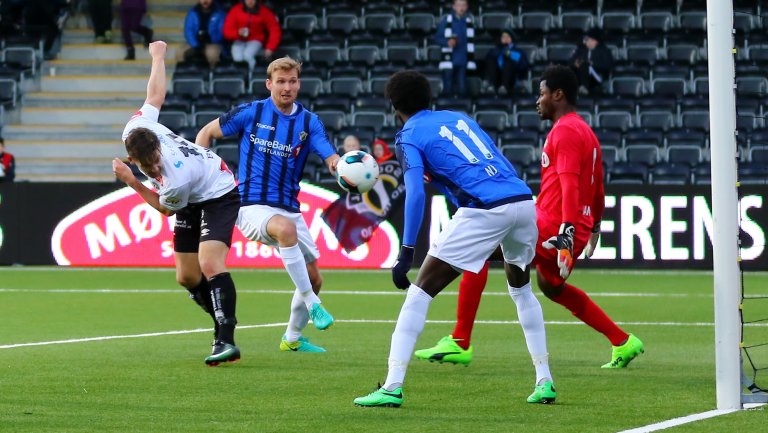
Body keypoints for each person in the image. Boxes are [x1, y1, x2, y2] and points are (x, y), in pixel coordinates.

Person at [415, 65, 644, 370]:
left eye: (542, 93)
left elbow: (570, 185)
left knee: (480, 247)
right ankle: (622, 340)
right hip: (569, 224)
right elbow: (597, 187)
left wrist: (566, 234)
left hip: (553, 225)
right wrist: (594, 227)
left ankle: (460, 340)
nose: (538, 100)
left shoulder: (564, 131)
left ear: (558, 95)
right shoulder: (586, 132)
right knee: (551, 287)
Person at [353, 70, 557, 408]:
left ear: (393, 105)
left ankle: (392, 386)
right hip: (522, 200)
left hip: (485, 208)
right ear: (428, 98)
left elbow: (415, 193)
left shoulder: (408, 136)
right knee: (521, 290)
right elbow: (493, 160)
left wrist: (406, 251)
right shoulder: (458, 118)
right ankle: (544, 380)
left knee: (419, 293)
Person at [196, 56, 339, 353]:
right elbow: (206, 133)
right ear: (269, 84)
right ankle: (312, 304)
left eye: (292, 81)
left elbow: (329, 155)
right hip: (250, 204)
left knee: (314, 278)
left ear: (299, 84)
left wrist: (342, 165)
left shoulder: (309, 122)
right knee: (285, 230)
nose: (287, 87)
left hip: (288, 206)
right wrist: (201, 174)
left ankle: (292, 339)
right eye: (281, 82)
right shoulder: (252, 112)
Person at [113, 41, 241, 366]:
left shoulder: (174, 177)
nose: (156, 168)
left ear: (158, 145)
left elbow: (165, 207)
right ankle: (221, 320)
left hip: (217, 190)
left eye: (157, 160)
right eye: (148, 166)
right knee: (186, 277)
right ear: (133, 158)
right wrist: (157, 57)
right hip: (192, 196)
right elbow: (154, 97)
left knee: (210, 263)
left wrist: (132, 182)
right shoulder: (137, 128)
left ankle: (225, 339)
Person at [222, 0, 281, 70]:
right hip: (239, 39)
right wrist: (238, 33)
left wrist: (270, 48)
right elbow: (227, 30)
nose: (250, 1)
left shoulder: (264, 11)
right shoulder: (236, 10)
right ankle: (241, 74)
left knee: (248, 55)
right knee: (237, 57)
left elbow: (275, 30)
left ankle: (251, 73)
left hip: (256, 40)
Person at [435, 0, 477, 96]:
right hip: (449, 59)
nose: (461, 8)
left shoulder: (469, 22)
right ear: (454, 6)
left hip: (463, 60)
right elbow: (437, 38)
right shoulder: (446, 21)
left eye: (463, 5)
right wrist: (447, 42)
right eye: (458, 5)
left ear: (467, 7)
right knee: (448, 87)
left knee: (462, 88)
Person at [180, 0, 227, 68]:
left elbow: (221, 31)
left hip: (213, 43)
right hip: (195, 43)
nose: (205, 1)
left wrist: (211, 39)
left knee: (212, 54)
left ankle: (212, 73)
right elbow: (188, 30)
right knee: (180, 52)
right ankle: (183, 72)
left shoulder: (219, 13)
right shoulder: (192, 12)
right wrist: (196, 45)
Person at [482, 28, 529, 95]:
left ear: (511, 38)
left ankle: (504, 87)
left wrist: (508, 54)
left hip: (513, 77)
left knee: (508, 61)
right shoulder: (495, 50)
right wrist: (500, 53)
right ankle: (491, 85)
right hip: (497, 76)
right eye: (503, 37)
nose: (505, 39)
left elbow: (523, 65)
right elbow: (487, 60)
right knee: (491, 60)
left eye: (507, 37)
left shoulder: (518, 51)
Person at [569, 28, 613, 96]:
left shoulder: (604, 51)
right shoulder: (581, 50)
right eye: (587, 40)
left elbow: (607, 65)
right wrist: (575, 64)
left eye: (590, 40)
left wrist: (592, 64)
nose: (588, 42)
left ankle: (584, 87)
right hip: (580, 75)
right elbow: (570, 61)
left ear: (596, 41)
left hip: (596, 76)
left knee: (585, 65)